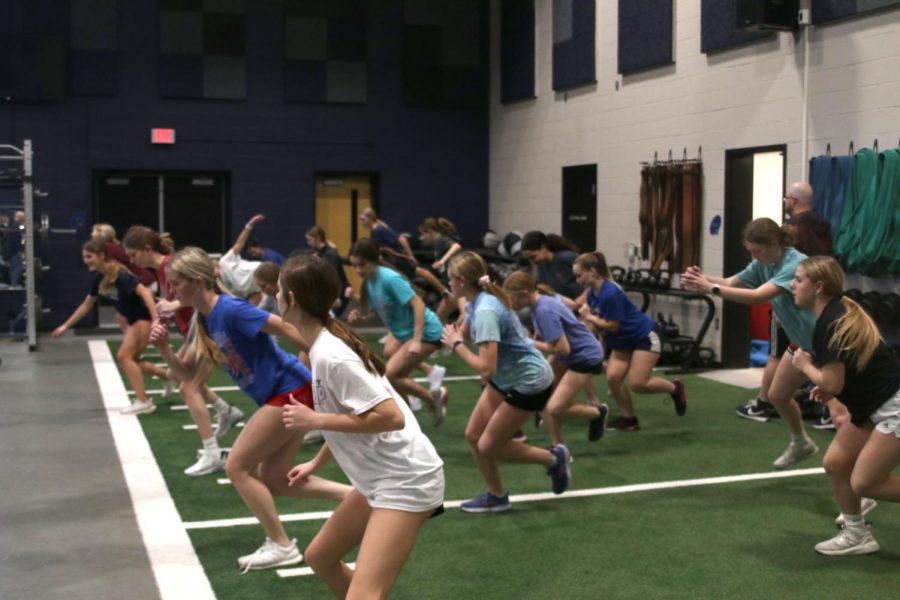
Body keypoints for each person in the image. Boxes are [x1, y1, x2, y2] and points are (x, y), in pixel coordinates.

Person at [148, 247, 352, 570]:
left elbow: (289, 328)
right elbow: (185, 375)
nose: (171, 291)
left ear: (198, 281)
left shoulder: (231, 310)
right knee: (274, 478)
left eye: (176, 283)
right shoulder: (203, 320)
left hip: (290, 390)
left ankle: (281, 545)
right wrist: (163, 349)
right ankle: (354, 497)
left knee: (236, 467)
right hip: (283, 393)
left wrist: (333, 366)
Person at [278, 254, 444, 597]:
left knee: (364, 594)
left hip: (405, 479)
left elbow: (390, 416)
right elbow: (353, 413)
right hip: (381, 477)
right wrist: (316, 462)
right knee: (320, 557)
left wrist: (315, 420)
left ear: (291, 299)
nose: (275, 296)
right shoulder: (322, 346)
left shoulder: (331, 355)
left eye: (278, 290)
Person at [681, 218, 828, 469]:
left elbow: (756, 297)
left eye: (756, 251)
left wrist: (709, 288)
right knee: (777, 395)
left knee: (841, 415)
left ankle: (859, 484)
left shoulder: (794, 264)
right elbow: (729, 282)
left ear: (774, 243)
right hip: (802, 345)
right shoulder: (765, 262)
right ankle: (801, 443)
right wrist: (702, 280)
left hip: (826, 344)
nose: (753, 256)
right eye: (750, 251)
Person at [441, 251, 570, 513]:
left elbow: (486, 369)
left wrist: (456, 345)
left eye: (450, 280)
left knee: (489, 445)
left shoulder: (486, 308)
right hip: (507, 377)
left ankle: (553, 458)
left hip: (529, 381)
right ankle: (496, 495)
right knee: (473, 435)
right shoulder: (479, 298)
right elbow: (470, 326)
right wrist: (460, 331)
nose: (448, 285)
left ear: (463, 281)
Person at [790, 255, 900, 555]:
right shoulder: (834, 314)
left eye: (799, 279)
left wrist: (805, 366)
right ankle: (857, 534)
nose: (792, 284)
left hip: (893, 407)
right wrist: (826, 386)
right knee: (836, 464)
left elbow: (831, 383)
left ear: (818, 287)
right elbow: (843, 376)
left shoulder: (831, 321)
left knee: (865, 483)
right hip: (872, 406)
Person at [123, 226, 244, 476]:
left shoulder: (173, 265)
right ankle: (225, 410)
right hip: (194, 330)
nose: (132, 261)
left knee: (186, 385)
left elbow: (204, 290)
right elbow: (176, 301)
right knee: (182, 376)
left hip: (205, 328)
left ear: (147, 249)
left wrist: (172, 305)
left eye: (134, 255)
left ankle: (212, 451)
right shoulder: (162, 269)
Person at [346, 238, 448, 425]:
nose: (359, 270)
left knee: (390, 375)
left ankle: (434, 398)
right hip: (405, 334)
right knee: (393, 368)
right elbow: (378, 310)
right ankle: (407, 417)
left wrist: (417, 340)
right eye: (355, 266)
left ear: (375, 259)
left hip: (427, 332)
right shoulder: (369, 282)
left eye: (362, 264)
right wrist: (360, 316)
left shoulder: (390, 279)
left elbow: (418, 304)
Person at [52, 239, 160, 415]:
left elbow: (145, 293)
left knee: (124, 357)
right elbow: (86, 305)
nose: (86, 260)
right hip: (134, 320)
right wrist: (65, 326)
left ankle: (144, 402)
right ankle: (169, 376)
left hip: (142, 319)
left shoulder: (121, 275)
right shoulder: (98, 279)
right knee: (134, 362)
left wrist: (155, 318)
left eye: (89, 256)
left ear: (102, 256)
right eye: (84, 257)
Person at [503, 271, 608, 445]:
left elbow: (562, 349)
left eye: (512, 298)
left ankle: (597, 413)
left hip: (583, 357)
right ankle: (559, 448)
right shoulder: (540, 303)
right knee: (542, 395)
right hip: (574, 353)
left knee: (555, 408)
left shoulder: (544, 309)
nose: (510, 304)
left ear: (523, 294)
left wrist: (528, 342)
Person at [358, 207, 450, 304]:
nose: (361, 222)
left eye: (363, 219)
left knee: (421, 274)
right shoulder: (376, 230)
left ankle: (444, 292)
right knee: (409, 282)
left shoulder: (379, 230)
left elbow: (402, 239)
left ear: (371, 218)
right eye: (360, 220)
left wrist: (410, 256)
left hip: (397, 260)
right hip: (392, 261)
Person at [520, 231, 584, 304]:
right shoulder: (541, 268)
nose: (531, 262)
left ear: (543, 247)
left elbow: (595, 277)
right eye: (528, 259)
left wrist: (582, 298)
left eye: (533, 257)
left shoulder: (566, 258)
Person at [305, 225, 352, 317]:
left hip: (339, 293)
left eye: (310, 240)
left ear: (317, 238)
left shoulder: (330, 254)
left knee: (330, 320)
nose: (308, 243)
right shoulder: (317, 253)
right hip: (330, 292)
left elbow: (330, 275)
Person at [220, 214, 265, 304]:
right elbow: (254, 297)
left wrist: (250, 225)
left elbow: (239, 244)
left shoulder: (224, 262)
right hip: (260, 289)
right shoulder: (224, 290)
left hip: (261, 270)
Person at [784, 181, 833, 257]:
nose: (785, 201)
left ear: (793, 200)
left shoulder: (792, 227)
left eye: (786, 198)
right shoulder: (823, 224)